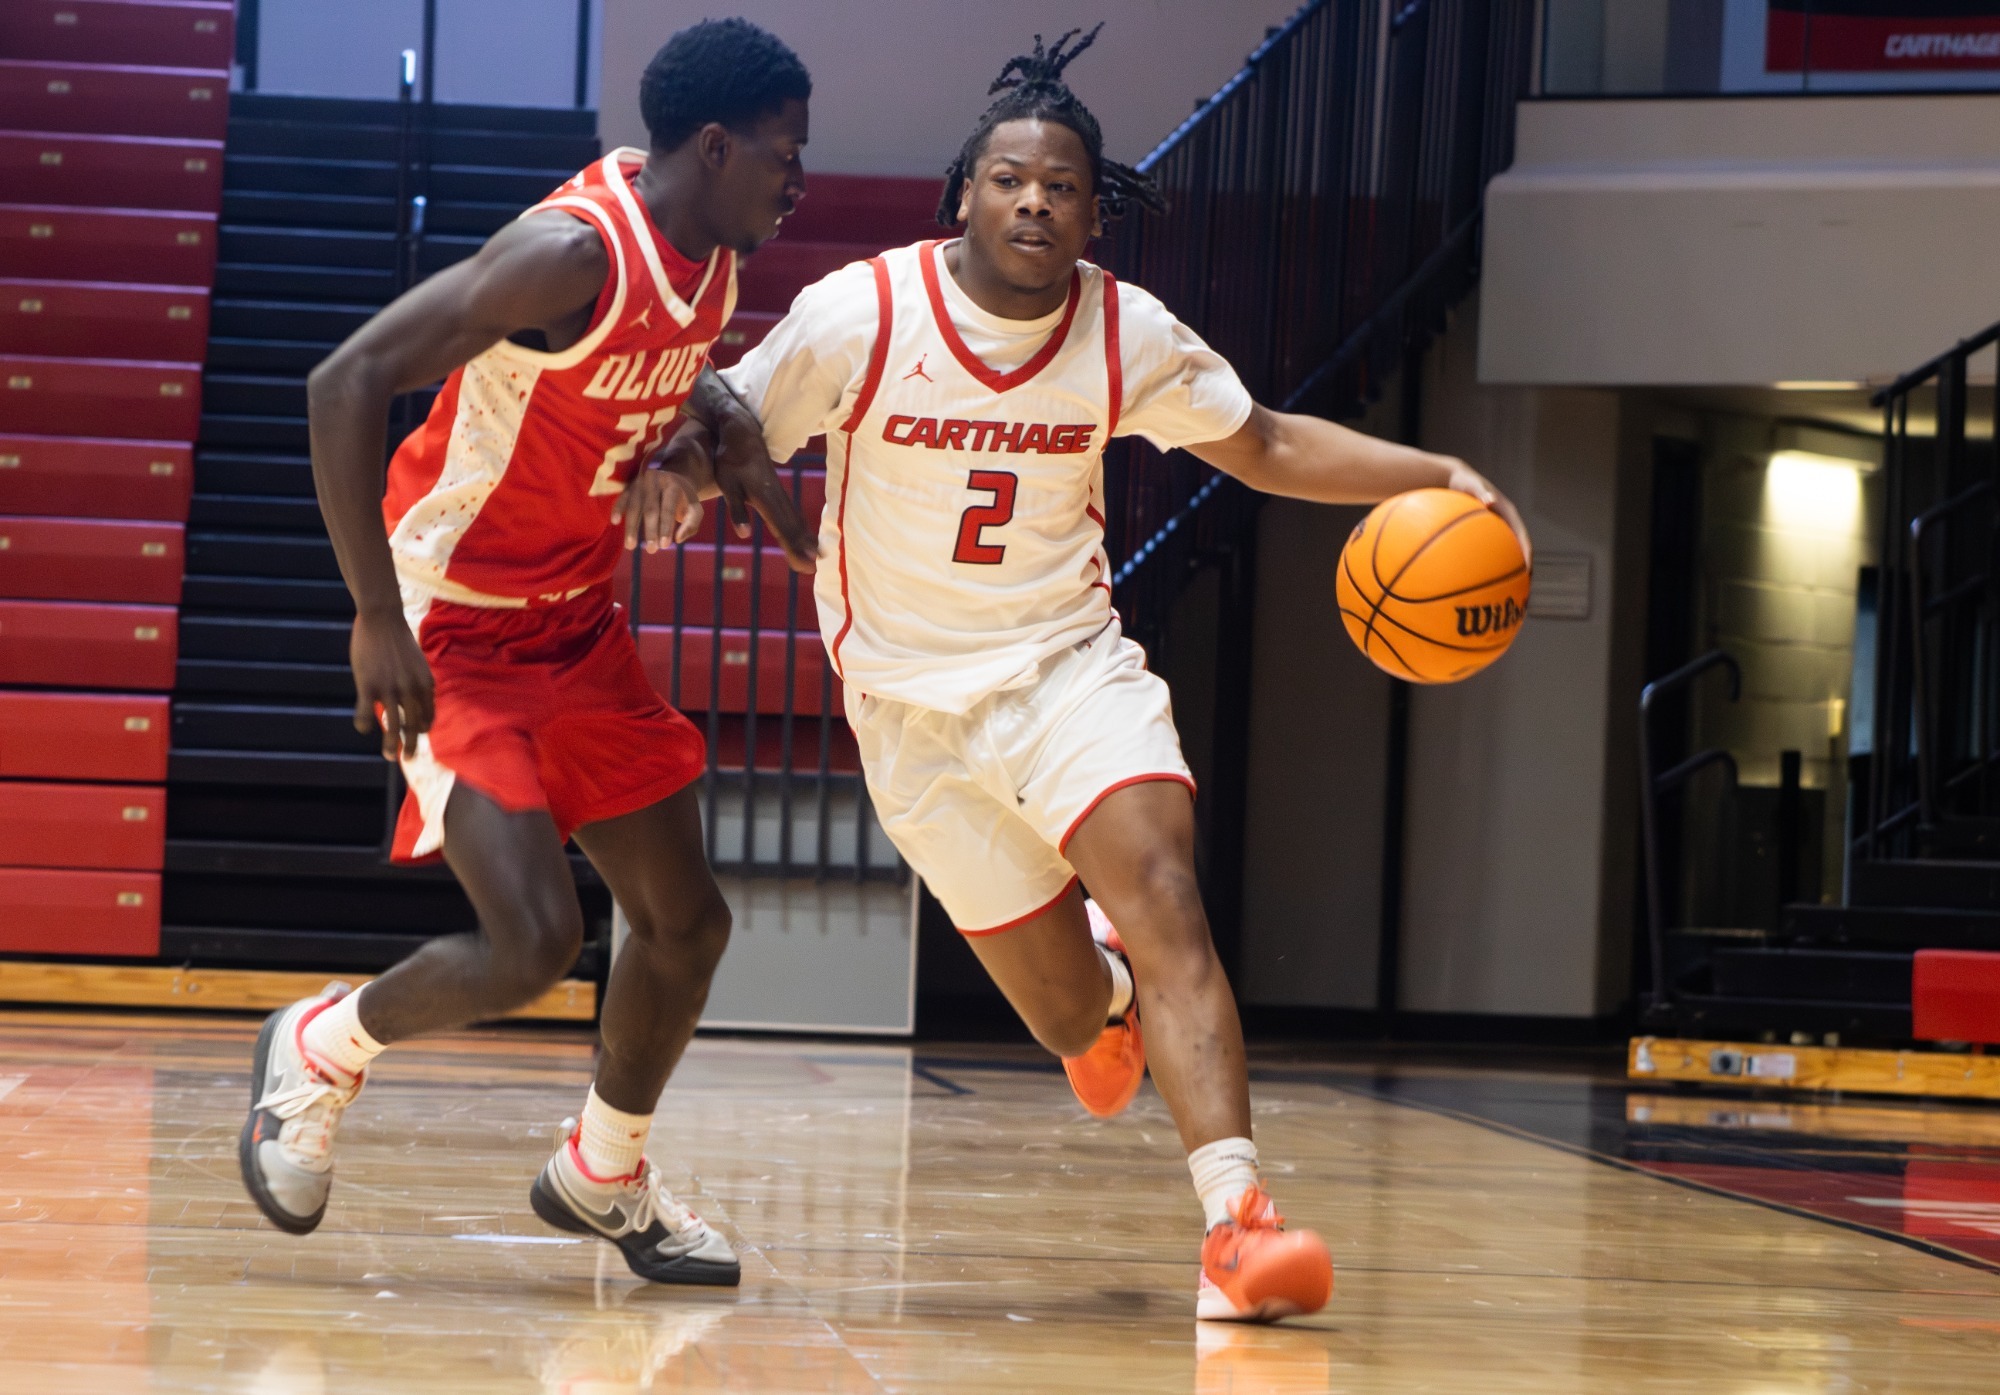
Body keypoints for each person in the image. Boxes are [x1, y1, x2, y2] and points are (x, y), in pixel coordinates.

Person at [637, 27, 1529, 1322]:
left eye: (1061, 184)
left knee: (1167, 888)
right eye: (1009, 178)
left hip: (1068, 671)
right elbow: (729, 412)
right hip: (912, 712)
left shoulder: (1129, 331)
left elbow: (1268, 443)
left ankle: (1238, 1222)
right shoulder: (867, 312)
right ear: (966, 193)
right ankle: (1103, 994)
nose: (1034, 200)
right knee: (1071, 1025)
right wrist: (676, 461)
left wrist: (1430, 473)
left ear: (1094, 211)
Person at [238, 18, 819, 1288]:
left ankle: (603, 1174)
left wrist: (707, 447)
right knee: (531, 942)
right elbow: (345, 381)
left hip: (575, 622)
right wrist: (374, 616)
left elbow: (688, 381)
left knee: (687, 924)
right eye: (785, 153)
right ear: (714, 146)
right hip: (449, 620)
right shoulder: (568, 253)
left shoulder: (712, 249)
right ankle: (321, 1047)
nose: (797, 178)